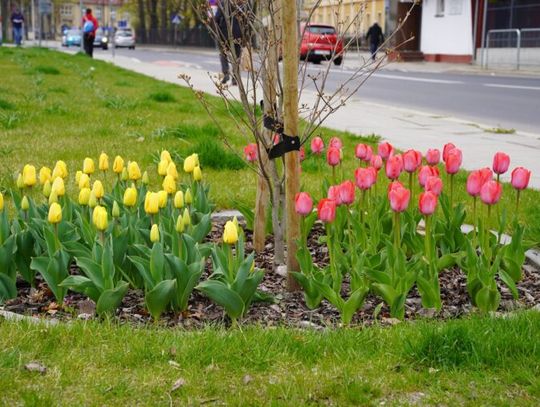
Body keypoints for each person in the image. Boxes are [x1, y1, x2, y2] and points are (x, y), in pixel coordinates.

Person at [214, 0, 248, 85]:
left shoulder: (223, 4)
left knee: (223, 54)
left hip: (224, 35)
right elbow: (246, 21)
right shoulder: (241, 4)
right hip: (238, 35)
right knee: (236, 57)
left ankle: (226, 73)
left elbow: (217, 18)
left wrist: (217, 32)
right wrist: (245, 36)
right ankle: (235, 78)